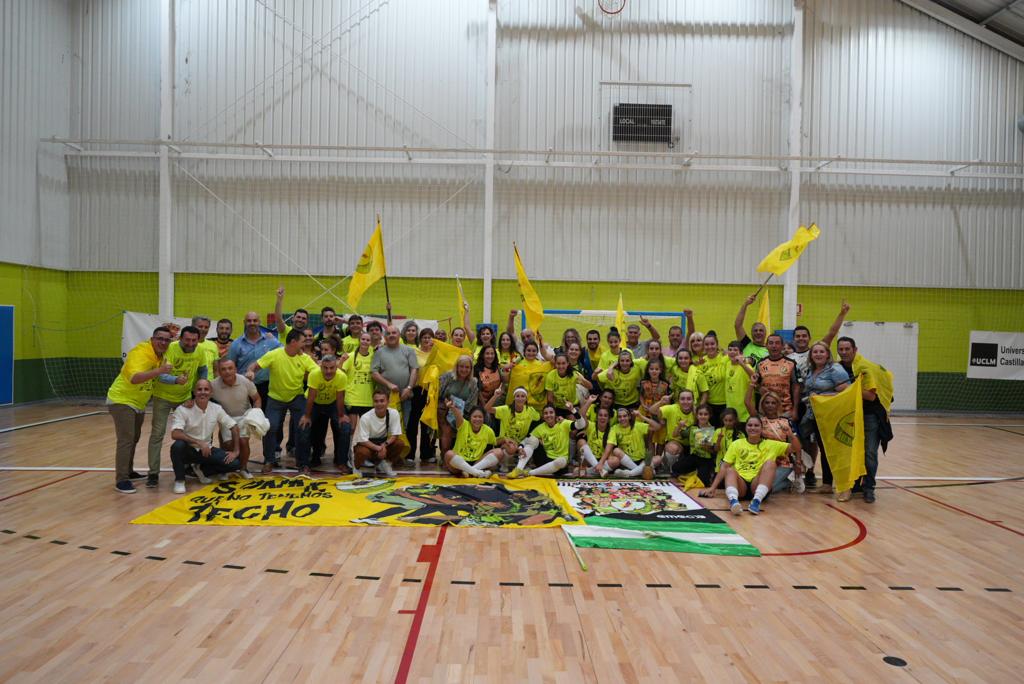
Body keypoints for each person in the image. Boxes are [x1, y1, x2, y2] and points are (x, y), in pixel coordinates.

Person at [107, 326, 173, 493]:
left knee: (133, 439)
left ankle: (128, 471)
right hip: (122, 400)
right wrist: (159, 370)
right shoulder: (140, 352)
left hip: (139, 403)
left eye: (167, 340)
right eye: (160, 338)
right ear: (152, 339)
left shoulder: (160, 355)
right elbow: (135, 378)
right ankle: (121, 480)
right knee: (126, 440)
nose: (163, 342)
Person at [246, 328, 318, 473]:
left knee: (303, 428)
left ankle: (303, 463)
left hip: (297, 397)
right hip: (275, 398)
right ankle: (269, 460)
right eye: (303, 341)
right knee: (270, 428)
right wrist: (251, 372)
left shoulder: (305, 358)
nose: (306, 344)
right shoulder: (274, 354)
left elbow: (317, 372)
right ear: (293, 342)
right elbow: (256, 365)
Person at [147, 325, 207, 489]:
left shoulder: (200, 351)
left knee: (190, 434)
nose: (190, 343)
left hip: (185, 398)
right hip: (163, 397)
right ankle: (153, 473)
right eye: (187, 339)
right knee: (157, 434)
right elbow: (160, 375)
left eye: (194, 340)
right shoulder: (171, 349)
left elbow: (203, 371)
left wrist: (196, 395)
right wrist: (174, 380)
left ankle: (189, 467)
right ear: (180, 338)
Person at [837, 336, 894, 504]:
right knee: (852, 453)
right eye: (841, 349)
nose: (844, 352)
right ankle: (854, 484)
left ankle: (869, 487)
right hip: (848, 415)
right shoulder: (838, 368)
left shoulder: (865, 367)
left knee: (869, 453)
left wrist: (847, 389)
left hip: (870, 416)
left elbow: (870, 395)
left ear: (855, 350)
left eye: (848, 349)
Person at [168, 379, 242, 494]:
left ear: (211, 392)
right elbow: (175, 433)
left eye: (206, 389)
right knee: (177, 446)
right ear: (194, 392)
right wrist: (199, 442)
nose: (203, 392)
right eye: (199, 389)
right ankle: (179, 480)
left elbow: (234, 427)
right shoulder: (183, 409)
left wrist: (236, 451)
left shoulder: (216, 408)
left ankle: (199, 470)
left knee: (235, 463)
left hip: (206, 450)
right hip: (188, 449)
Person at [801, 341, 851, 496]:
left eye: (821, 352)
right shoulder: (811, 370)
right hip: (815, 416)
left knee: (831, 449)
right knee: (822, 448)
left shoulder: (835, 370)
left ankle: (844, 484)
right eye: (815, 352)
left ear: (828, 354)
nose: (818, 354)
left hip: (831, 416)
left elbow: (847, 393)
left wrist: (823, 396)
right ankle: (827, 484)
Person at [721, 415, 791, 515]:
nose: (753, 428)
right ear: (745, 428)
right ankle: (733, 501)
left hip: (757, 483)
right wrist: (713, 488)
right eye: (750, 425)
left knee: (771, 463)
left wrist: (791, 434)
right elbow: (724, 466)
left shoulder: (771, 444)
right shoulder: (736, 444)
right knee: (729, 469)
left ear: (762, 429)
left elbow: (795, 448)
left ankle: (756, 501)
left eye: (756, 425)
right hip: (741, 486)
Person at [298, 354, 350, 476]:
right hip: (314, 404)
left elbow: (340, 398)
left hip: (332, 404)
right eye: (325, 368)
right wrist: (307, 416)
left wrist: (341, 416)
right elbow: (311, 397)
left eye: (332, 368)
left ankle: (342, 462)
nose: (328, 371)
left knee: (345, 428)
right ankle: (304, 464)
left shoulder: (341, 376)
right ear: (321, 367)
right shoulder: (314, 374)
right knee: (303, 427)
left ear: (336, 367)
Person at [743, 389, 803, 495]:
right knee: (758, 487)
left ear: (778, 405)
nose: (770, 405)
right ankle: (786, 483)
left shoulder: (786, 422)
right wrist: (752, 385)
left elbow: (796, 444)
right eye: (767, 402)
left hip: (782, 463)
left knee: (766, 489)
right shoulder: (759, 421)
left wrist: (798, 463)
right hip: (762, 462)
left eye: (773, 403)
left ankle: (786, 482)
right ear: (762, 404)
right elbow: (747, 402)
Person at [210, 357, 260, 479]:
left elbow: (257, 399)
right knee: (228, 444)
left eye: (230, 368)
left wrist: (256, 414)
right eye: (223, 369)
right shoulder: (213, 385)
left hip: (244, 415)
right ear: (219, 371)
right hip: (225, 417)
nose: (227, 371)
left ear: (235, 369)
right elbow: (202, 396)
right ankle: (226, 469)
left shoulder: (245, 381)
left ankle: (243, 468)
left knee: (243, 441)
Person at [507, 403, 586, 478]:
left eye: (551, 412)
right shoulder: (540, 427)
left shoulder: (563, 423)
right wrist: (520, 447)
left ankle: (529, 473)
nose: (548, 415)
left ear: (555, 414)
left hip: (559, 464)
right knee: (533, 440)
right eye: (546, 413)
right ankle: (518, 469)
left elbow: (582, 424)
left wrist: (573, 410)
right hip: (544, 460)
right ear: (543, 416)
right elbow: (526, 440)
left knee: (561, 461)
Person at [371, 324, 420, 431]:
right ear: (384, 337)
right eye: (388, 333)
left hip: (405, 397)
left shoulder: (409, 351)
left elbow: (414, 369)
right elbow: (374, 372)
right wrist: (388, 384)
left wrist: (409, 388)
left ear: (399, 335)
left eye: (394, 333)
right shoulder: (379, 352)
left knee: (403, 428)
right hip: (385, 399)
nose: (391, 335)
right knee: (384, 429)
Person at [484, 385, 540, 473]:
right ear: (514, 398)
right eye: (517, 396)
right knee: (511, 447)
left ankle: (520, 466)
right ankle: (504, 465)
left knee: (534, 440)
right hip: (505, 442)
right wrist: (495, 396)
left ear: (526, 398)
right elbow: (487, 409)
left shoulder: (530, 411)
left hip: (520, 443)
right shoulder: (506, 409)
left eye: (522, 396)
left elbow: (540, 417)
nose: (520, 398)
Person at [352, 389, 405, 477]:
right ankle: (356, 467)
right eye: (376, 401)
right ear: (373, 403)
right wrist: (379, 449)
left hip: (382, 443)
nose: (379, 404)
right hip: (367, 444)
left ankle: (385, 463)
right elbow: (362, 440)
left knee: (399, 444)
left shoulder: (394, 413)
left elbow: (395, 434)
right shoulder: (365, 417)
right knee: (362, 452)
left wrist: (384, 445)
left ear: (388, 402)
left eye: (382, 401)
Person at [597, 407, 661, 478]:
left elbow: (657, 427)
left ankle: (630, 473)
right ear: (617, 419)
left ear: (629, 417)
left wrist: (641, 416)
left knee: (658, 458)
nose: (622, 419)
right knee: (616, 450)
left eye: (625, 416)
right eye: (619, 417)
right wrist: (601, 462)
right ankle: (640, 471)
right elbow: (609, 445)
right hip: (626, 461)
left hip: (641, 460)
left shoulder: (638, 425)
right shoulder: (615, 428)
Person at [436, 355, 479, 454]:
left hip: (462, 412)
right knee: (447, 430)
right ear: (457, 367)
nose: (464, 369)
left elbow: (472, 403)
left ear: (471, 369)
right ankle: (445, 455)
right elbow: (437, 394)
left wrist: (461, 414)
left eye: (467, 367)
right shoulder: (448, 377)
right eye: (461, 366)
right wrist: (446, 403)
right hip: (445, 410)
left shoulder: (473, 382)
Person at [698, 408, 745, 496]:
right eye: (725, 420)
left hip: (735, 467)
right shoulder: (718, 431)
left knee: (731, 487)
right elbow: (715, 450)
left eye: (730, 420)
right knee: (720, 489)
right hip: (720, 466)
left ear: (735, 420)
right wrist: (719, 439)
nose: (728, 423)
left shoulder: (740, 434)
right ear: (722, 420)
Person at [443, 404, 498, 478]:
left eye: (480, 417)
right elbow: (458, 415)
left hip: (477, 462)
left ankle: (470, 471)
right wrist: (452, 407)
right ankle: (475, 472)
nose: (477, 419)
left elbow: (492, 447)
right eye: (475, 417)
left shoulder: (488, 430)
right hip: (459, 464)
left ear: (484, 418)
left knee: (499, 452)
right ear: (470, 418)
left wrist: (505, 441)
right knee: (448, 454)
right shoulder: (463, 424)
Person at [342, 332, 375, 452]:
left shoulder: (373, 357)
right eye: (363, 339)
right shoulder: (350, 356)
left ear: (370, 342)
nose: (365, 342)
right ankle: (348, 453)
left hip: (368, 399)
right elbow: (341, 373)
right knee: (351, 429)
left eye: (368, 340)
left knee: (367, 431)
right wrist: (340, 361)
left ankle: (363, 454)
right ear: (359, 341)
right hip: (353, 398)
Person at [756, 334, 800, 418]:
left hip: (786, 410)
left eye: (777, 343)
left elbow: (796, 387)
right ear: (766, 345)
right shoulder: (760, 364)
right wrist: (759, 388)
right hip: (765, 411)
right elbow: (756, 384)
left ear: (782, 346)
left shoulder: (791, 363)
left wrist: (795, 409)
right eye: (771, 343)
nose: (774, 346)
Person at [410, 328, 436, 462]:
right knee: (413, 423)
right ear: (420, 339)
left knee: (428, 423)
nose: (427, 340)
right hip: (417, 390)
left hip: (431, 392)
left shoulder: (437, 353)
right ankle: (410, 454)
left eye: (430, 337)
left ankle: (427, 454)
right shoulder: (414, 352)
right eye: (424, 337)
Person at [659, 389, 697, 476]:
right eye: (682, 399)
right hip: (677, 443)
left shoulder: (698, 412)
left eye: (688, 399)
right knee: (672, 448)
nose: (685, 401)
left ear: (693, 400)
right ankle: (670, 469)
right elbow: (654, 410)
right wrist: (661, 421)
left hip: (693, 447)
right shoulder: (672, 408)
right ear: (678, 401)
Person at [696, 332, 729, 426]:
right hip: (709, 404)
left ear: (717, 344)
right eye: (706, 344)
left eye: (712, 344)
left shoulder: (725, 357)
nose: (710, 346)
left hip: (726, 403)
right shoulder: (701, 362)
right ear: (703, 346)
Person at [575, 397, 613, 477]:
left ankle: (590, 471)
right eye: (600, 415)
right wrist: (589, 401)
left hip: (603, 460)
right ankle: (600, 470)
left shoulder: (612, 431)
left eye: (605, 416)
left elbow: (608, 449)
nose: (602, 417)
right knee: (581, 442)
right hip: (589, 459)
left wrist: (601, 463)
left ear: (608, 419)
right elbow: (580, 416)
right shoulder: (591, 425)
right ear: (596, 417)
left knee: (615, 460)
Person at [733, 293, 770, 362]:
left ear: (765, 333)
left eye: (761, 330)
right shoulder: (746, 344)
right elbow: (737, 325)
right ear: (751, 333)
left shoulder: (770, 351)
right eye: (755, 331)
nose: (758, 332)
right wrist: (745, 304)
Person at [725, 341, 756, 422]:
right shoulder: (727, 364)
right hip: (731, 411)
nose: (732, 352)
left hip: (745, 413)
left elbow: (755, 377)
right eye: (730, 349)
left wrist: (742, 363)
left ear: (741, 353)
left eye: (735, 350)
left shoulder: (746, 366)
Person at [475, 346, 503, 416]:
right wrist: (485, 407)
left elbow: (503, 383)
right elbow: (477, 391)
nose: (490, 356)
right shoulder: (477, 369)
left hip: (497, 403)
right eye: (487, 353)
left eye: (492, 353)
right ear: (483, 355)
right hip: (482, 404)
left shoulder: (498, 367)